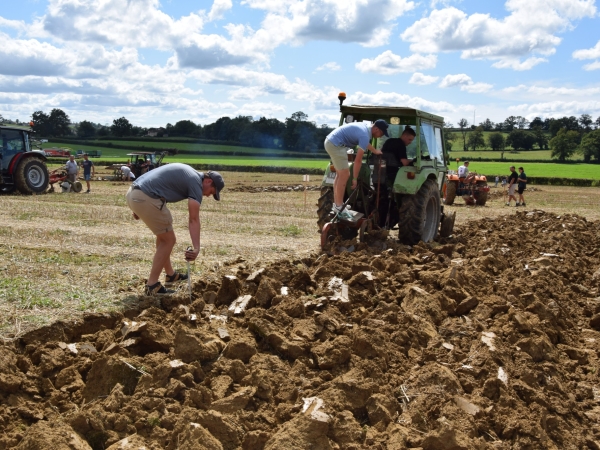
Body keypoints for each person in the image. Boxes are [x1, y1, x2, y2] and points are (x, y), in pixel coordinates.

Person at [125, 163, 224, 295]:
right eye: (211, 192)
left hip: (134, 192)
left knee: (163, 236)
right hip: (145, 196)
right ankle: (152, 286)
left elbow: (156, 180)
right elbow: (193, 219)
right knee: (168, 240)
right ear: (208, 181)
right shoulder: (195, 182)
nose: (207, 196)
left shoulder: (188, 172)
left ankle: (171, 275)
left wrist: (138, 206)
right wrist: (196, 248)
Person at [324, 119, 387, 220]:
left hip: (331, 141)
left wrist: (374, 151)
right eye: (382, 133)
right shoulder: (365, 135)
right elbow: (358, 160)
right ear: (376, 129)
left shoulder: (365, 128)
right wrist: (354, 179)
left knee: (340, 174)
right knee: (345, 175)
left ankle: (337, 204)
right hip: (336, 145)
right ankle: (339, 206)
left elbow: (364, 143)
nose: (381, 136)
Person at [376, 126, 416, 227]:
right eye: (410, 139)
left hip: (379, 174)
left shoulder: (389, 141)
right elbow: (404, 162)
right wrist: (414, 161)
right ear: (404, 135)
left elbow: (381, 154)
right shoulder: (401, 145)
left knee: (381, 196)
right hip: (392, 176)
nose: (410, 142)